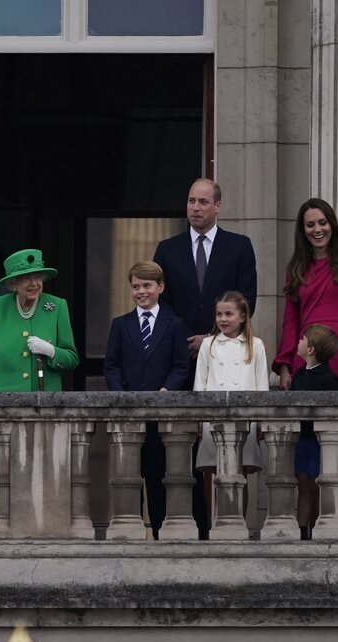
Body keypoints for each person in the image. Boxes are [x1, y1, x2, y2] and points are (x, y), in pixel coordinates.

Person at [153, 178, 258, 535]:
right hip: (180, 360)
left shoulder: (239, 246)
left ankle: (228, 526)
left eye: (202, 202)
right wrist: (188, 339)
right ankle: (192, 527)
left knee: (227, 452)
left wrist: (212, 338)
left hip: (226, 355)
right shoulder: (167, 249)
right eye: (190, 201)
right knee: (184, 449)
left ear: (217, 206)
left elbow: (247, 300)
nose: (195, 207)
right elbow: (160, 303)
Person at [273, 197, 338, 484]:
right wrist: (284, 365)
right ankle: (308, 522)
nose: (317, 229)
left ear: (331, 224)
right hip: (304, 356)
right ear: (302, 229)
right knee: (306, 438)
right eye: (310, 224)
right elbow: (290, 321)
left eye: (322, 222)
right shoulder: (296, 267)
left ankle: (337, 520)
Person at [103, 261, 191, 539]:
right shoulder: (120, 324)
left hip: (160, 414)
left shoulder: (174, 323)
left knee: (156, 474)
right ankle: (129, 532)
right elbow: (111, 365)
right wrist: (121, 395)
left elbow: (181, 365)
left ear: (160, 287)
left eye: (147, 286)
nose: (141, 291)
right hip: (129, 413)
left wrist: (167, 390)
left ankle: (158, 533)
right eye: (136, 286)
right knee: (128, 476)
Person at [192, 291, 268, 530]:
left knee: (240, 475)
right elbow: (200, 383)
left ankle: (239, 524)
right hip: (212, 419)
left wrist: (261, 421)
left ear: (243, 316)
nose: (223, 319)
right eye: (218, 314)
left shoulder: (255, 345)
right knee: (211, 473)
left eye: (228, 314)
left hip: (245, 419)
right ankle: (211, 524)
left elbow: (262, 386)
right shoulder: (208, 344)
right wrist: (198, 418)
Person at [0, 249, 79, 394]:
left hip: (46, 402)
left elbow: (72, 360)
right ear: (14, 282)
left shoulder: (57, 306)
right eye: (27, 278)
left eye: (38, 277)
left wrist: (52, 352)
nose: (34, 284)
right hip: (6, 403)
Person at [289, 324, 338, 540]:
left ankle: (317, 526)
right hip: (301, 439)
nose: (299, 342)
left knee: (316, 485)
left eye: (302, 339)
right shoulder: (299, 374)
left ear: (310, 349)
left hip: (319, 441)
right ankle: (302, 530)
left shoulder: (329, 379)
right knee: (303, 484)